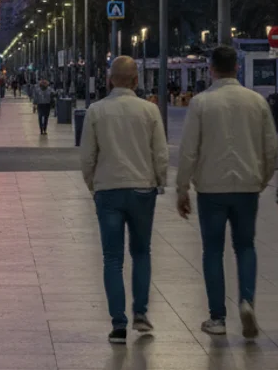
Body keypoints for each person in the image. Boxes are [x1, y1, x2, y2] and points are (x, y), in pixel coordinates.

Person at [175, 45, 278, 338]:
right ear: (237, 67)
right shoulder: (256, 102)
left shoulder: (201, 103)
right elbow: (271, 148)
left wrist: (182, 188)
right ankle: (246, 301)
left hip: (211, 189)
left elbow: (188, 150)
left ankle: (217, 318)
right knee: (245, 246)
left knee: (213, 251)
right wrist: (261, 179)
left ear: (211, 69)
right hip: (247, 187)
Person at [80, 56, 169, 344]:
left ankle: (118, 323)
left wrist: (94, 185)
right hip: (143, 189)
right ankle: (140, 312)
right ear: (136, 81)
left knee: (112, 258)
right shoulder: (150, 110)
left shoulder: (96, 111)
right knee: (142, 252)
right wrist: (160, 181)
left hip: (109, 190)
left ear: (109, 80)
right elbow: (160, 153)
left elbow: (87, 156)